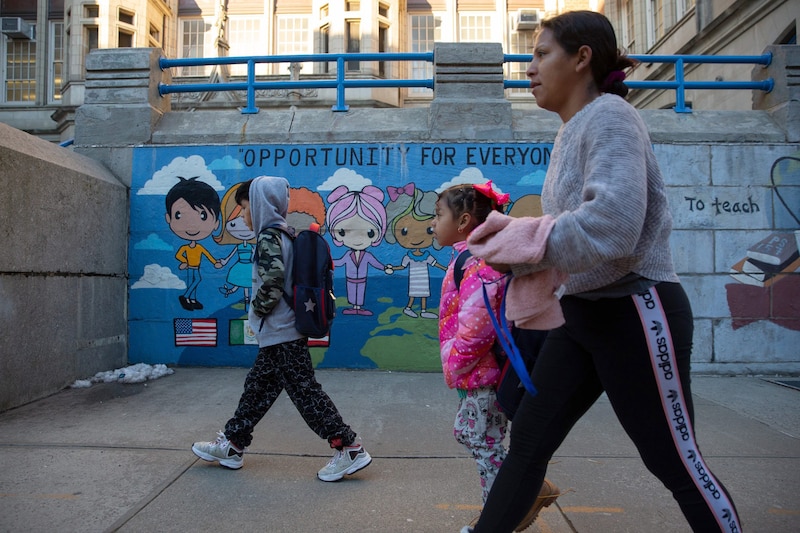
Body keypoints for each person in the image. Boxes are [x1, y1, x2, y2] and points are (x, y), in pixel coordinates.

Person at [462, 11, 742, 533]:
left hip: (637, 309)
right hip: (584, 312)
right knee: (526, 443)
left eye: (542, 53)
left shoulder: (611, 116)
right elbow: (572, 232)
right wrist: (522, 244)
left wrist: (524, 245)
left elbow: (612, 226)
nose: (529, 68)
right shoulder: (570, 132)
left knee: (673, 460)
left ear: (582, 57)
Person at [192, 176, 372, 482]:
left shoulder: (267, 238)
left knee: (305, 393)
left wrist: (258, 312)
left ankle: (349, 448)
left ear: (260, 204)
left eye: (245, 208)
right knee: (258, 388)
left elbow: (273, 282)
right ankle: (233, 444)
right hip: (284, 330)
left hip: (281, 331)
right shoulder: (286, 235)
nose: (243, 215)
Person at [433, 182, 559, 532]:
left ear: (463, 221)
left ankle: (500, 517)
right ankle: (525, 493)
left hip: (482, 372)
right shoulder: (469, 257)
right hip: (478, 373)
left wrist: (455, 364)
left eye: (438, 215)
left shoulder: (476, 261)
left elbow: (477, 326)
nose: (432, 223)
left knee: (484, 442)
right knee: (471, 434)